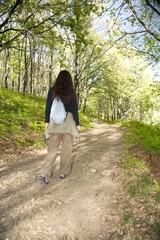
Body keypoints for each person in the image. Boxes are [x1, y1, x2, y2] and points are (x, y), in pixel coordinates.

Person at [38, 70, 79, 184]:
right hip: (68, 124)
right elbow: (74, 109)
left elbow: (48, 107)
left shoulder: (52, 90)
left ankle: (44, 172)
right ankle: (63, 172)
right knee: (66, 149)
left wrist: (47, 122)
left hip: (55, 124)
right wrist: (77, 124)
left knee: (53, 149)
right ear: (69, 80)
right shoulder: (71, 92)